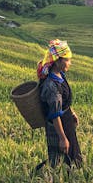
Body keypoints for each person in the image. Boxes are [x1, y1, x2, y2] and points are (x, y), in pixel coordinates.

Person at [37, 39, 82, 169]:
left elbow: (63, 101)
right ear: (57, 61)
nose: (70, 63)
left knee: (73, 158)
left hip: (66, 121)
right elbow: (54, 114)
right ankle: (47, 180)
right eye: (67, 60)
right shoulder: (51, 86)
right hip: (58, 126)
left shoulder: (60, 75)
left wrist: (71, 112)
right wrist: (62, 138)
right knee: (58, 160)